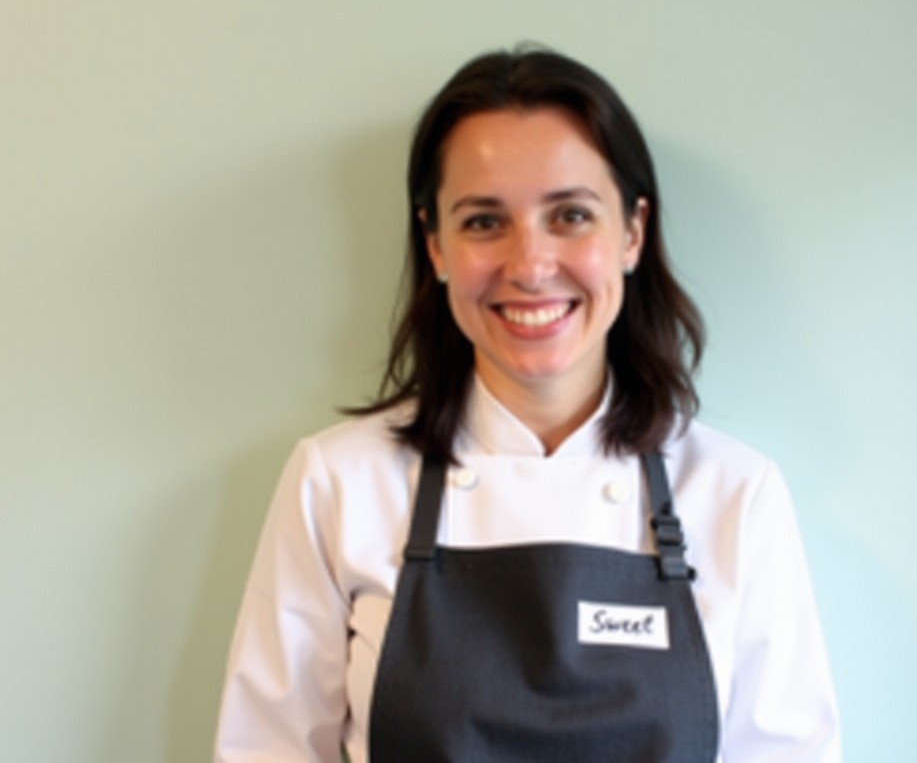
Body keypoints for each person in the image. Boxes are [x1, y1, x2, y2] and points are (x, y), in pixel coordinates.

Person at [214, 46, 841, 762]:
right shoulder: (336, 483)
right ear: (436, 245)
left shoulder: (735, 494)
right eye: (484, 222)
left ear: (632, 232)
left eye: (570, 215)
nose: (531, 266)